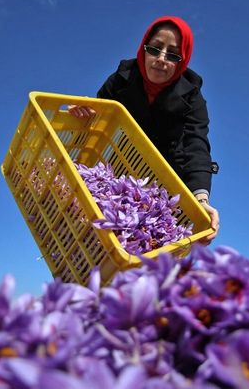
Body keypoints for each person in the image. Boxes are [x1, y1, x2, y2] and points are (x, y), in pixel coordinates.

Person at [70, 16, 219, 244]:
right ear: (144, 48)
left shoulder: (192, 96)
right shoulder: (122, 79)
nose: (161, 59)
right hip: (123, 170)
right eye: (155, 48)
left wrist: (200, 199)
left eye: (172, 54)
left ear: (182, 60)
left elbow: (196, 144)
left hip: (168, 182)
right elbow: (99, 117)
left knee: (152, 244)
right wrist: (82, 112)